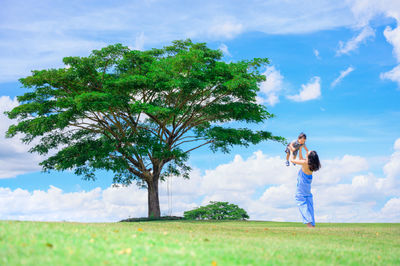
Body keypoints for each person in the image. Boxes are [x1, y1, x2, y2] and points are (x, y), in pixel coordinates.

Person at [291, 146, 321, 228]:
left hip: (301, 191)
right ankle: (313, 226)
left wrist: (291, 151)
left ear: (309, 157)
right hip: (307, 191)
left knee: (303, 207)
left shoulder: (305, 163)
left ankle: (309, 226)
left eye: (308, 152)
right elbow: (301, 158)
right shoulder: (310, 165)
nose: (307, 151)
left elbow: (292, 160)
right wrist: (301, 147)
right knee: (310, 209)